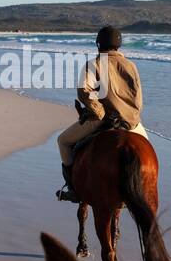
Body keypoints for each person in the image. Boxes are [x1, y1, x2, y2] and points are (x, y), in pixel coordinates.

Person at [55, 25, 149, 203]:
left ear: (99, 44)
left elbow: (84, 91)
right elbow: (138, 97)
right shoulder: (131, 65)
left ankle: (74, 190)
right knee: (146, 151)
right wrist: (131, 117)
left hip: (102, 120)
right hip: (131, 121)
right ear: (118, 45)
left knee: (63, 141)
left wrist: (99, 112)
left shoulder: (94, 64)